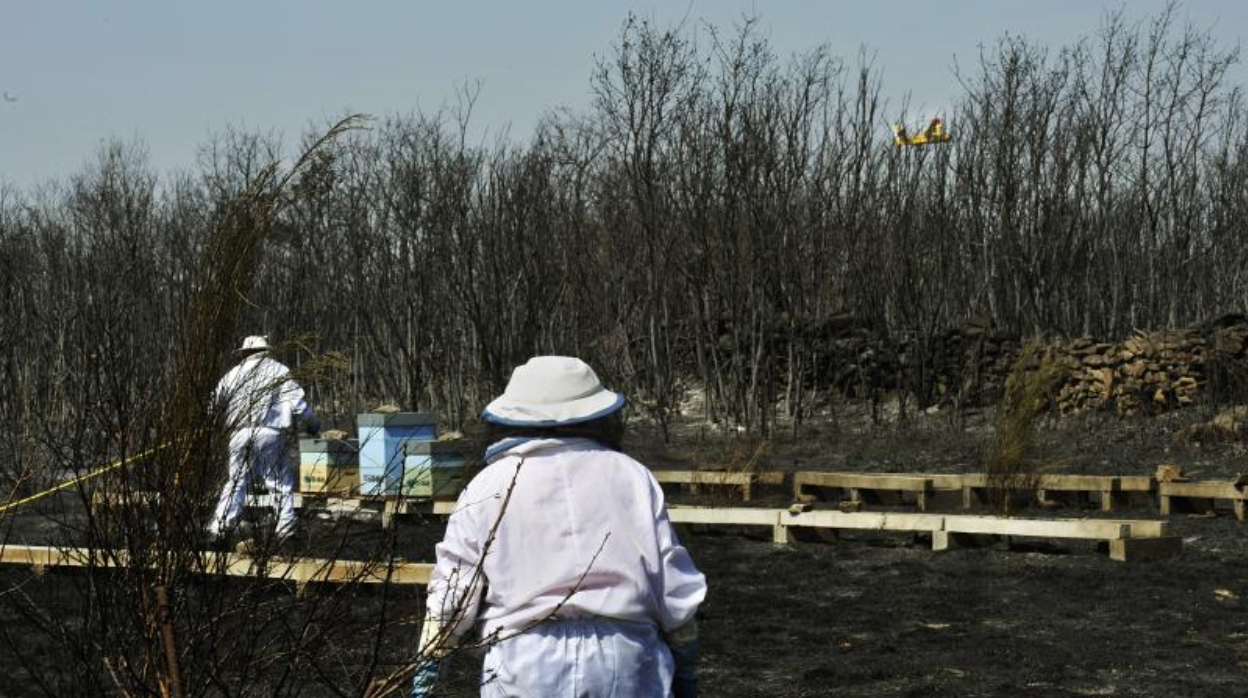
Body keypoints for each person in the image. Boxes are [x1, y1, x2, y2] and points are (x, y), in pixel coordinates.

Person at [414, 356, 706, 697]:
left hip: (525, 662)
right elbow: (672, 585)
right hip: (626, 660)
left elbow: (453, 593)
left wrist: (427, 671)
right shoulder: (631, 475)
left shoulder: (487, 484)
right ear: (598, 415)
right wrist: (685, 662)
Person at [208, 335, 318, 544]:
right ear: (265, 351)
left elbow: (213, 403)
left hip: (239, 434)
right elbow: (298, 404)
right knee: (279, 482)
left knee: (236, 482)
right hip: (270, 433)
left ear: (244, 353)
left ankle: (219, 527)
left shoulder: (233, 374)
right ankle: (286, 530)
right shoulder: (279, 371)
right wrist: (312, 424)